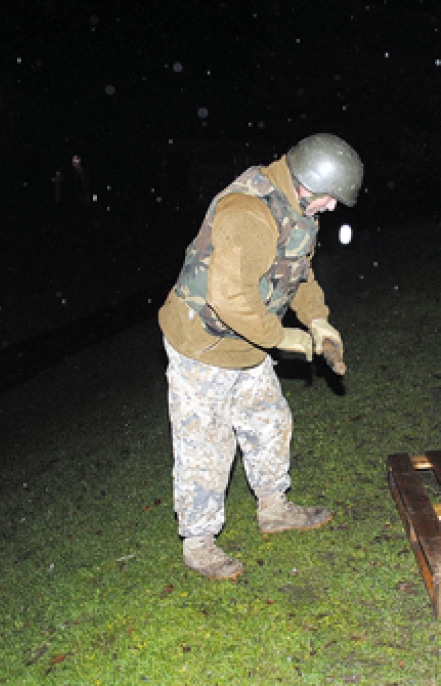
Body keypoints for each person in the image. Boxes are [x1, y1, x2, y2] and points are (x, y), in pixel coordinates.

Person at [158, 133, 363, 580]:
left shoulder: (299, 209)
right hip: (202, 343)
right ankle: (198, 543)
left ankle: (274, 508)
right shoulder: (248, 213)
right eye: (330, 199)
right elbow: (228, 298)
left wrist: (317, 321)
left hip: (246, 340)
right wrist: (281, 338)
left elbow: (298, 274)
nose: (331, 208)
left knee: (269, 419)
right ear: (308, 182)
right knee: (206, 445)